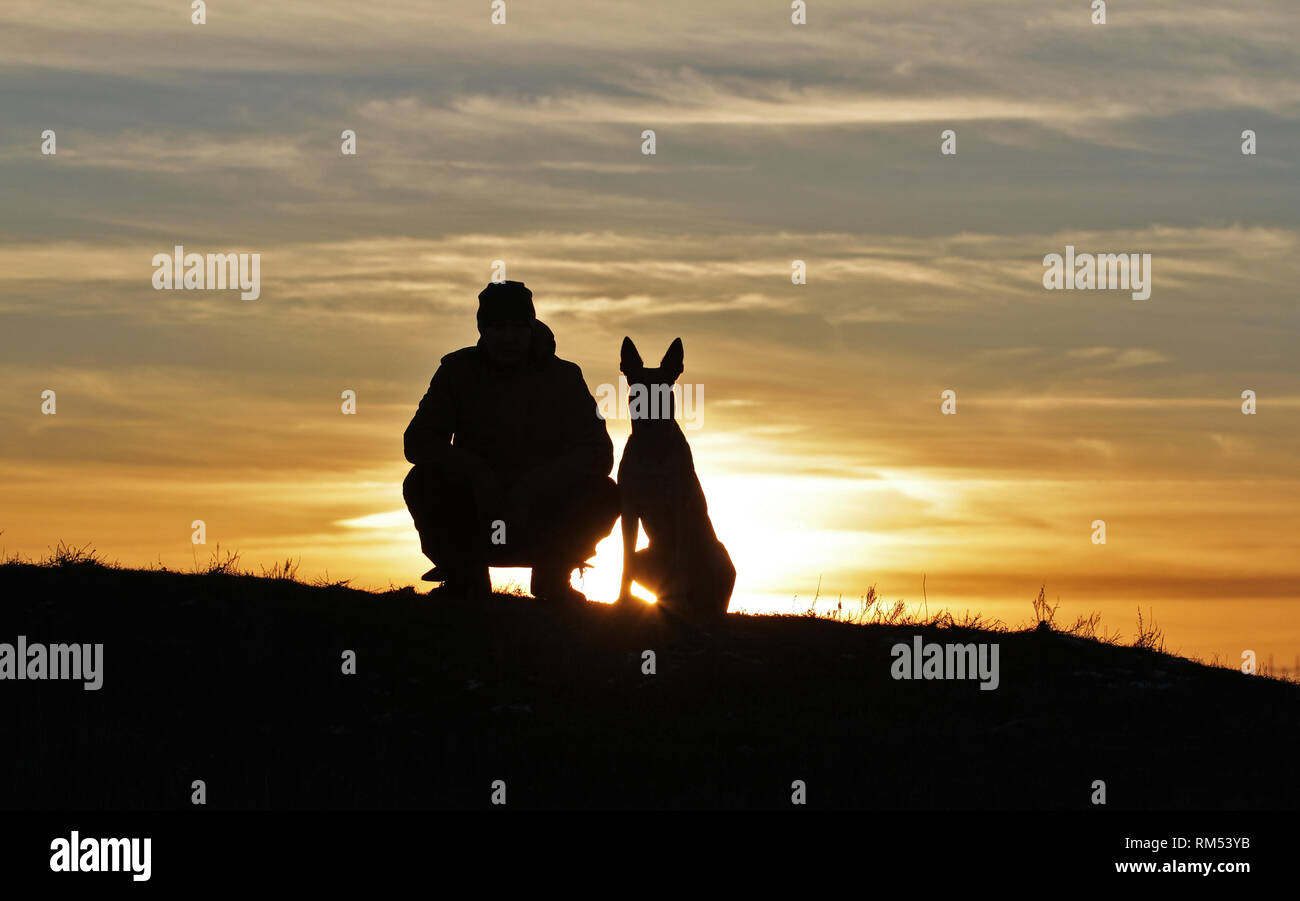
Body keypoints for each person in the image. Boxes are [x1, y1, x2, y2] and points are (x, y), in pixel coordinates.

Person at [402, 281, 619, 603]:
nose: (508, 337)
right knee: (422, 481)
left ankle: (554, 579)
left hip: (545, 513)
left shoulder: (565, 377)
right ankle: (464, 581)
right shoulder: (457, 371)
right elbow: (417, 442)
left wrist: (532, 486)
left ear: (530, 329)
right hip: (474, 511)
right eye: (498, 327)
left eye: (518, 327)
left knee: (604, 493)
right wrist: (477, 475)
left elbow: (599, 454)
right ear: (483, 331)